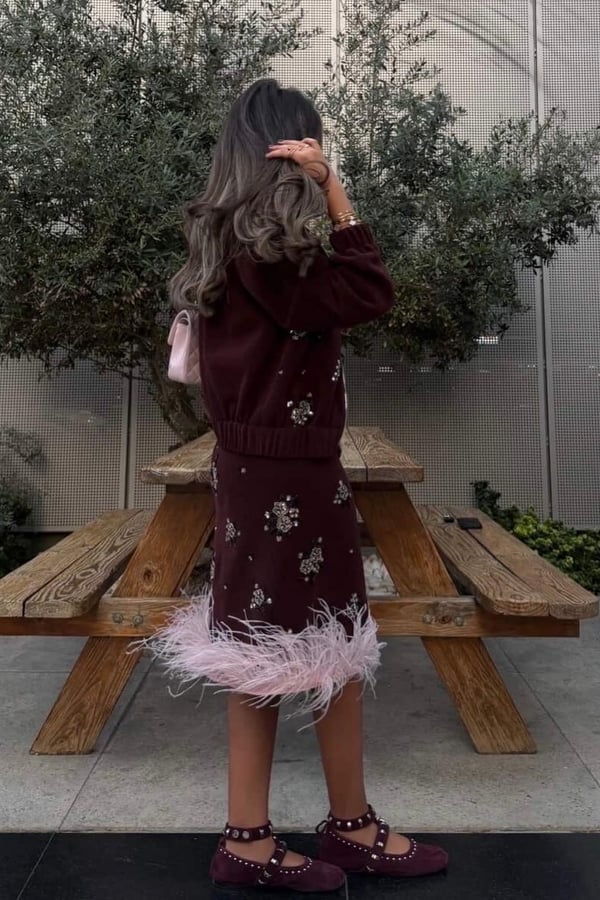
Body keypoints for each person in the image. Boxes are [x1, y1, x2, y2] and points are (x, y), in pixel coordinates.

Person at [149, 78, 448, 893]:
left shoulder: (223, 248)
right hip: (295, 476)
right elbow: (373, 291)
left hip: (254, 472)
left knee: (274, 649)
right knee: (317, 645)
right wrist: (336, 190)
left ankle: (285, 832)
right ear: (292, 152)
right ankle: (302, 834)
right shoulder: (278, 258)